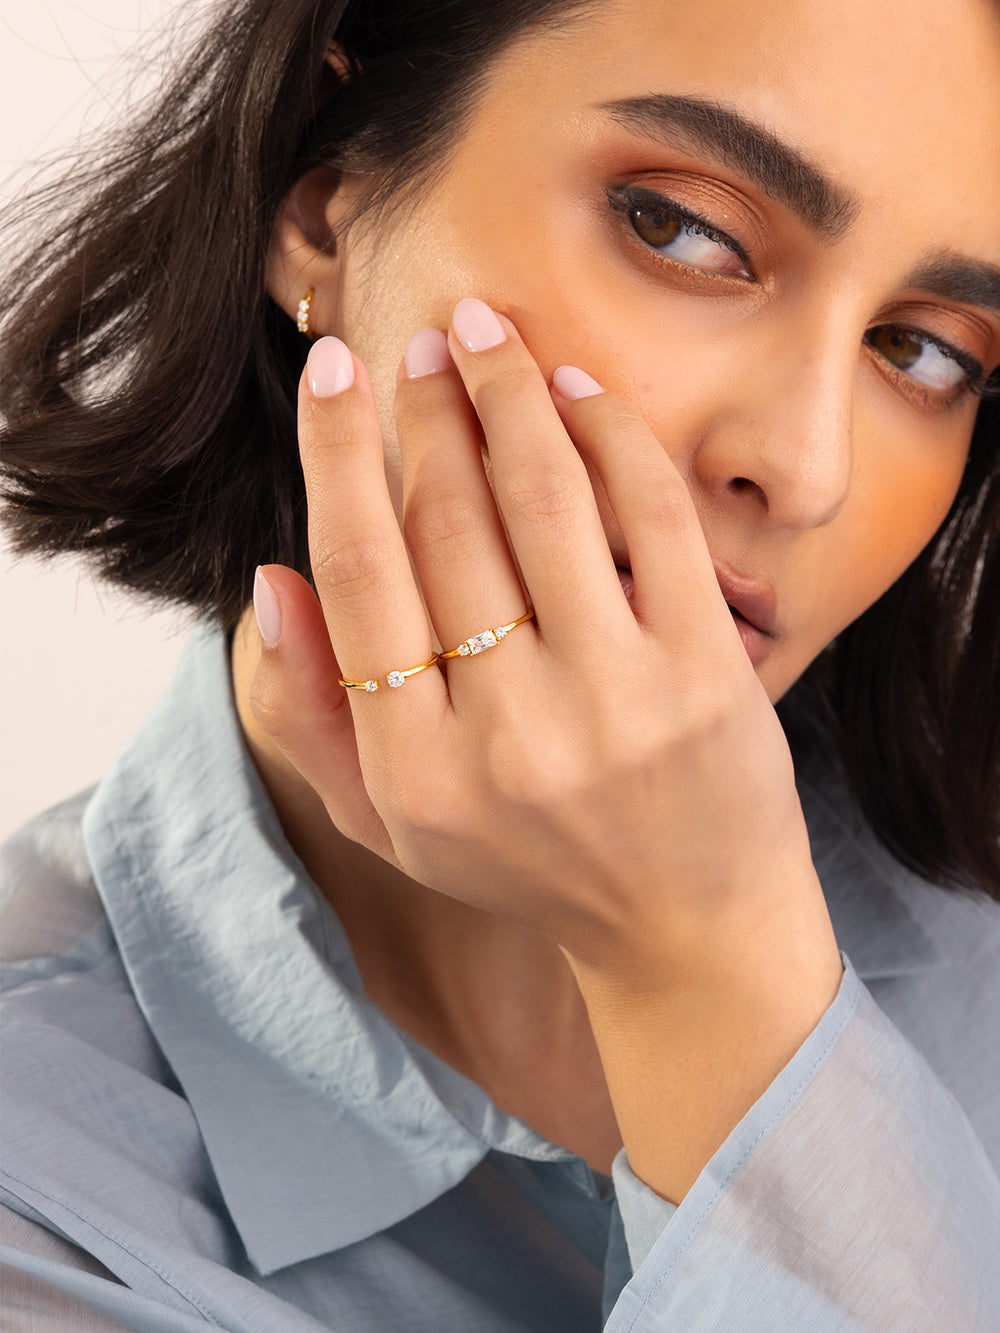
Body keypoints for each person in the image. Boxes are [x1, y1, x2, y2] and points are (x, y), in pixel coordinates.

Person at [1, 0, 999, 1327]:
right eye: (684, 230)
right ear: (325, 200)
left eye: (926, 351)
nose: (807, 468)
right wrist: (694, 968)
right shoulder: (43, 1190)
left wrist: (707, 962)